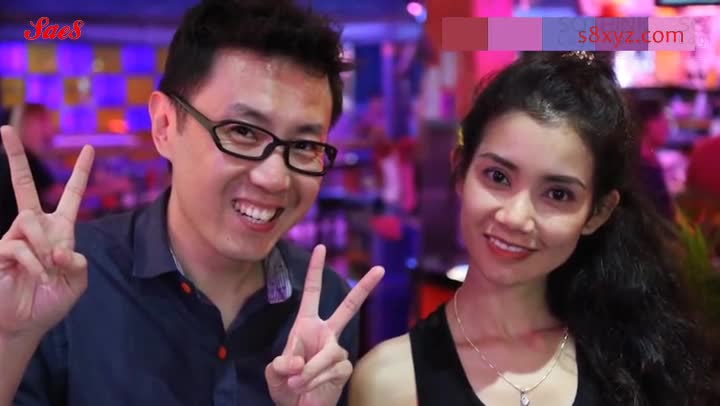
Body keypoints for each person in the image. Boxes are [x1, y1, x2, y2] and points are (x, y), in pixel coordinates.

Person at [0, 1, 384, 405]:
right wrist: (10, 339)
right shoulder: (61, 281)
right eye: (242, 132)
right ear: (165, 126)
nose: (274, 178)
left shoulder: (325, 304)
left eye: (304, 146)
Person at [350, 51, 719, 406]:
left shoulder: (638, 361)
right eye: (497, 177)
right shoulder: (390, 382)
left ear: (598, 213)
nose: (515, 217)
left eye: (557, 194)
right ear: (461, 170)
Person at [0, 103, 59, 236]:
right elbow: (54, 195)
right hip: (13, 236)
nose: (51, 127)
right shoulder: (26, 160)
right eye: (45, 120)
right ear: (29, 124)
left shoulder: (11, 157)